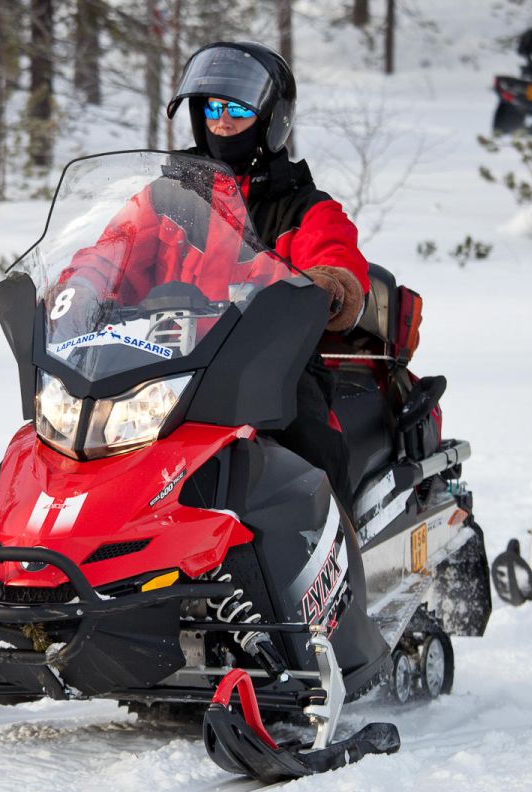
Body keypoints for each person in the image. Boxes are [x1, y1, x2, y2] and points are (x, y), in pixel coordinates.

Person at [57, 41, 369, 506]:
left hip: (267, 365)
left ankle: (337, 548)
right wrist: (81, 287)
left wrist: (327, 287)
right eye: (213, 108)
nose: (223, 122)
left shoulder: (303, 206)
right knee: (66, 430)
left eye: (238, 109)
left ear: (269, 119)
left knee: (309, 438)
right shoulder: (167, 196)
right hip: (160, 358)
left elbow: (336, 260)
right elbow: (114, 249)